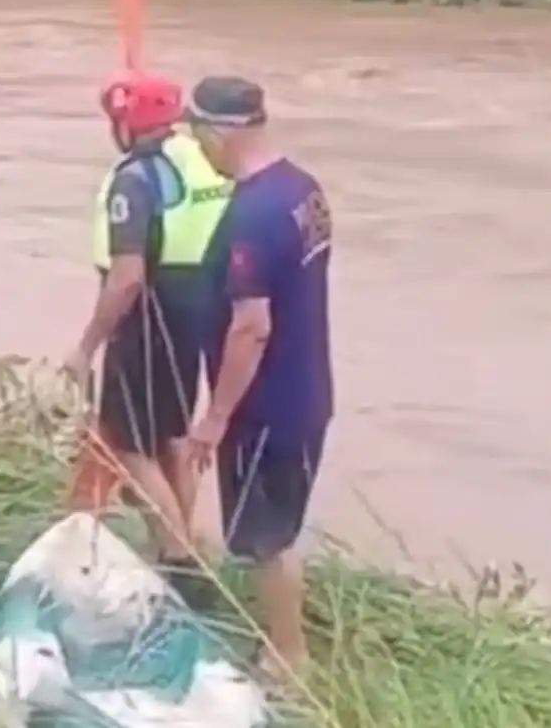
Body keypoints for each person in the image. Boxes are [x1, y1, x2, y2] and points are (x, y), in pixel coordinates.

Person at [64, 70, 233, 606]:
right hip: (197, 313)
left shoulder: (134, 179)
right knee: (173, 438)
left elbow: (128, 275)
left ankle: (182, 565)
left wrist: (87, 346)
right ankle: (184, 541)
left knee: (132, 445)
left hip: (146, 318)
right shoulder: (203, 160)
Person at [184, 76, 333, 682]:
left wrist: (214, 418)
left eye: (197, 135)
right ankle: (282, 640)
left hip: (265, 405)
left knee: (265, 538)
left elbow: (252, 327)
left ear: (220, 133)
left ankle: (287, 659)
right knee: (280, 526)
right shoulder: (304, 190)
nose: (197, 148)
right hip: (309, 390)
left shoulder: (252, 214)